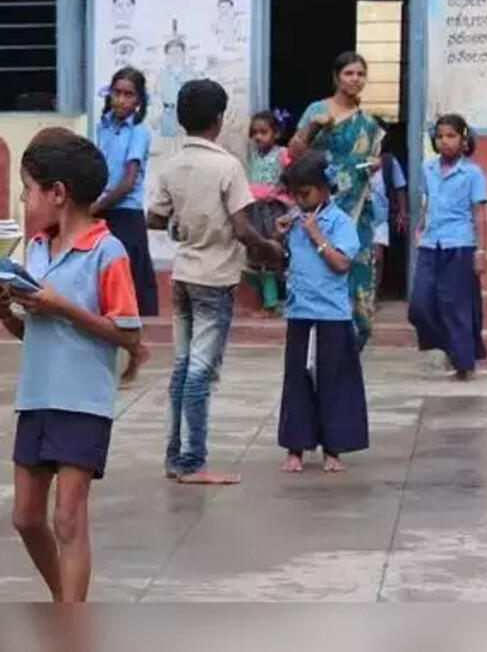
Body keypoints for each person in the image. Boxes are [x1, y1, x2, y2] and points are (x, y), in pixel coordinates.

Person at [0, 128, 145, 602]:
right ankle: (65, 602)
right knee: (25, 517)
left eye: (28, 189)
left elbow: (128, 333)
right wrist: (3, 310)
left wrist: (62, 306)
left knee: (68, 518)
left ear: (58, 193)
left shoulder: (108, 252)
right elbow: (34, 331)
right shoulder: (35, 249)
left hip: (83, 400)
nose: (23, 199)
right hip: (36, 396)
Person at [146, 79, 285, 486]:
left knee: (182, 366)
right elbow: (243, 228)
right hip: (215, 278)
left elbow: (154, 218)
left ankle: (175, 456)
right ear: (219, 120)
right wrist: (270, 248)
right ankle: (192, 461)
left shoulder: (173, 164)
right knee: (200, 373)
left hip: (183, 274)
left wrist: (185, 224)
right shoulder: (227, 166)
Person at [275, 152, 369, 473]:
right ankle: (295, 449)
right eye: (295, 195)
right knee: (297, 380)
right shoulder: (295, 219)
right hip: (300, 311)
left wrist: (317, 235)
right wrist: (280, 235)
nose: (300, 201)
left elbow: (341, 263)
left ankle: (334, 449)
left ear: (324, 189)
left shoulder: (340, 222)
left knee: (334, 381)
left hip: (332, 314)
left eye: (306, 194)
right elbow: (285, 259)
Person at [287, 51, 385, 349]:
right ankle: (320, 348)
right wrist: (313, 127)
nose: (355, 79)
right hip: (322, 210)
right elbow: (293, 154)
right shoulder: (318, 110)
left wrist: (375, 164)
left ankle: (351, 347)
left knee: (358, 278)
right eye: (349, 73)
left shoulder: (367, 122)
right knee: (322, 270)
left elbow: (371, 157)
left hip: (358, 211)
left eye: (360, 74)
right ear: (336, 77)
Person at [409, 115, 487, 380]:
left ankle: (463, 362)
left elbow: (479, 213)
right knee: (420, 305)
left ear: (463, 140)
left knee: (456, 306)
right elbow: (427, 200)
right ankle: (448, 345)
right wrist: (420, 225)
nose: (444, 141)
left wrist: (481, 251)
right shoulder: (428, 167)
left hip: (460, 244)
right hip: (430, 243)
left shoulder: (473, 173)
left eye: (451, 136)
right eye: (440, 136)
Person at [91, 67, 160, 317]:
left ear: (139, 100)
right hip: (102, 210)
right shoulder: (101, 128)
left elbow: (128, 181)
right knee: (102, 274)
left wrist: (95, 207)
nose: (121, 100)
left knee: (133, 277)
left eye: (128, 94)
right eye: (117, 93)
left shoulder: (138, 132)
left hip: (126, 213)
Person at [244, 109, 292, 318]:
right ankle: (268, 300)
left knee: (273, 253)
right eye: (254, 133)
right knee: (256, 254)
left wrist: (280, 190)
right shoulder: (252, 155)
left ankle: (272, 303)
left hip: (273, 210)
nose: (258, 137)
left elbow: (292, 175)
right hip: (255, 208)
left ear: (276, 133)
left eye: (263, 132)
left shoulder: (282, 154)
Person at [370, 143, 409, 281]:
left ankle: (374, 291)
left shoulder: (388, 161)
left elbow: (400, 187)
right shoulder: (353, 160)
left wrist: (402, 212)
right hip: (358, 216)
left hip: (380, 217)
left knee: (377, 258)